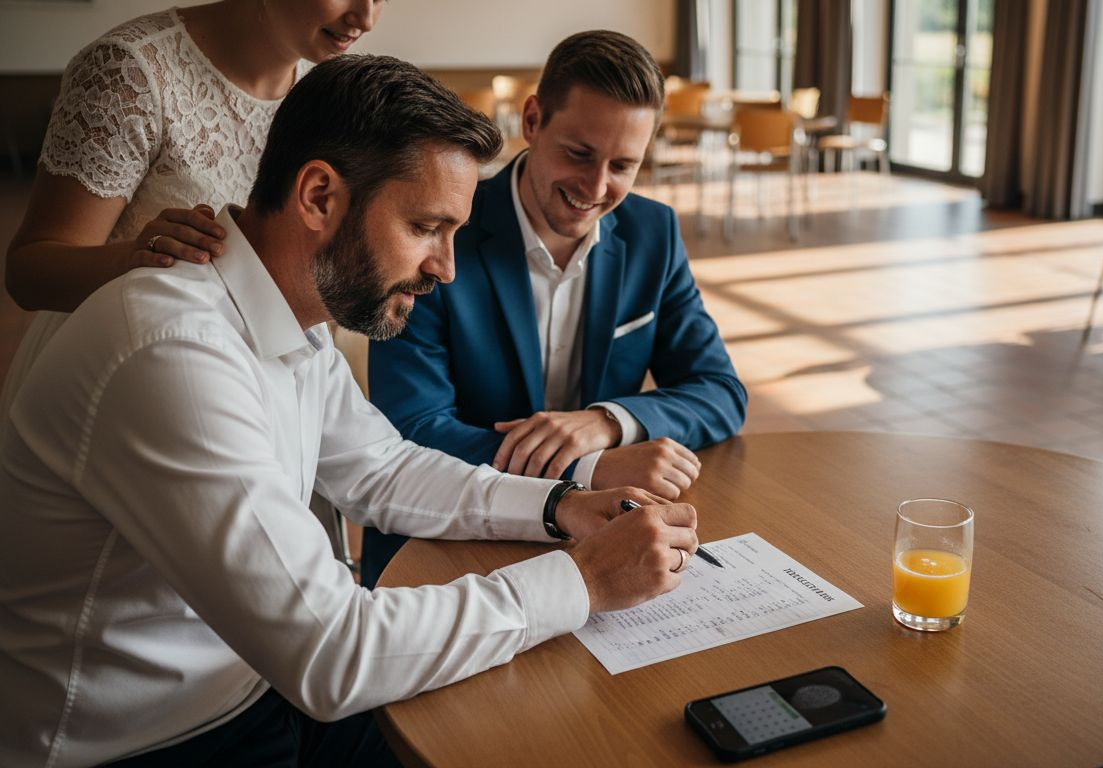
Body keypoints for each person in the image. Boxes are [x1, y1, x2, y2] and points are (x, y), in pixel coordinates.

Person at [0, 55, 699, 767]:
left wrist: (562, 505)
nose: (445, 268)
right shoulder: (172, 352)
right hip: (139, 742)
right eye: (427, 226)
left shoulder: (286, 312)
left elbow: (382, 470)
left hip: (259, 685)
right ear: (318, 197)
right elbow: (334, 651)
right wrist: (584, 580)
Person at [360, 30, 747, 586]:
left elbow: (720, 391)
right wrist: (587, 468)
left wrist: (606, 424)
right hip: (443, 546)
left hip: (599, 541)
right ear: (534, 120)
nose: (596, 187)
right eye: (580, 154)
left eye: (622, 166)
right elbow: (412, 429)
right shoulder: (438, 233)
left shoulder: (652, 232)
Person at [2, 0, 388, 419]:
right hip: (127, 380)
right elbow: (28, 273)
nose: (365, 18)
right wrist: (133, 260)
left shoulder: (330, 95)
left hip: (270, 386)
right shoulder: (131, 71)